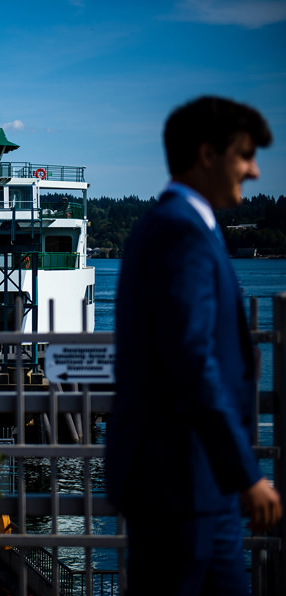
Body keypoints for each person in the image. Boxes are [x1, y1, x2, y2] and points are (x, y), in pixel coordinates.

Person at [106, 96, 279, 594]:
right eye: (245, 155)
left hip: (194, 483)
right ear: (208, 154)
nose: (255, 171)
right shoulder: (181, 231)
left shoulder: (172, 225)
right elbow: (192, 362)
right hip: (184, 484)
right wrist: (247, 475)